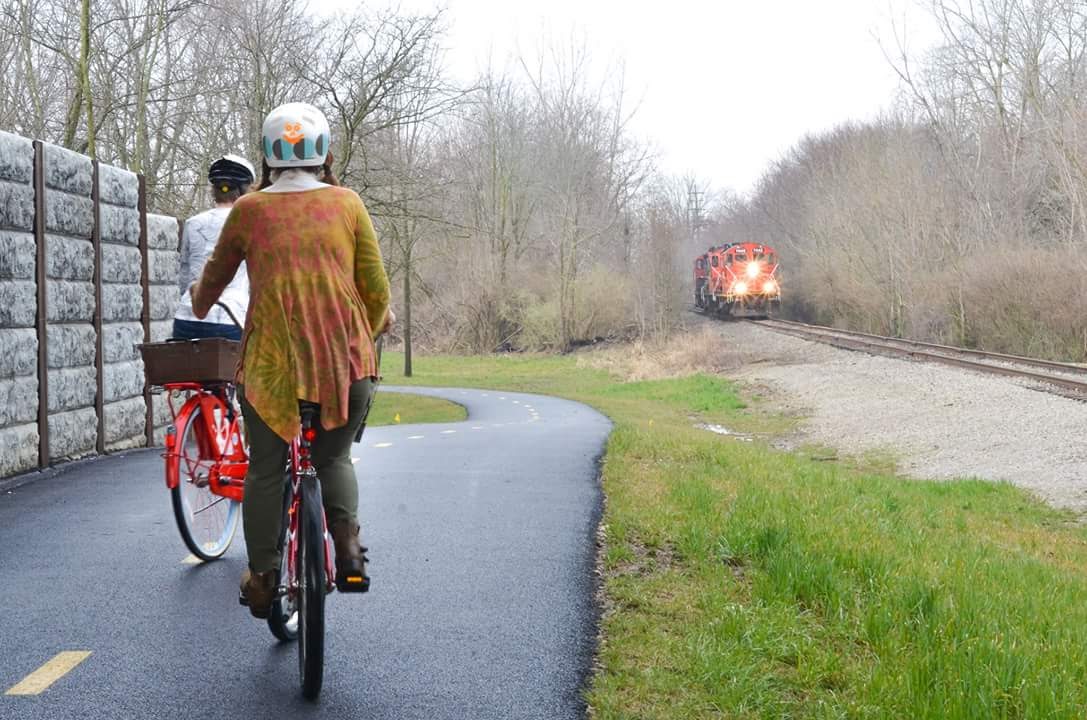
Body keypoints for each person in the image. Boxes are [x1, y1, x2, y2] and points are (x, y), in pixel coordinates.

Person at [190, 102, 392, 618]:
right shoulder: (347, 204)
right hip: (343, 363)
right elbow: (375, 289)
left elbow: (213, 279)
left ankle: (262, 578)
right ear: (323, 152)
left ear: (269, 154)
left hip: (271, 366)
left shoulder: (249, 211)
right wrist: (370, 327)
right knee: (332, 458)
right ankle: (347, 553)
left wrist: (199, 298)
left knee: (265, 468)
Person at [173, 154, 256, 340]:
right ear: (244, 189)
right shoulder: (250, 222)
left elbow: (184, 275)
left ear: (214, 190)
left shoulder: (193, 223)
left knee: (183, 369)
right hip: (231, 317)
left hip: (187, 317)